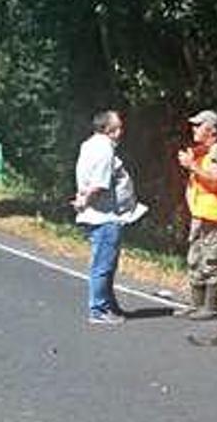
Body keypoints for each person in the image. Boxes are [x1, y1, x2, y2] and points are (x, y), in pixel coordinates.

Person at [72, 110, 141, 326]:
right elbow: (99, 184)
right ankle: (99, 308)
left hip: (102, 214)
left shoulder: (90, 145)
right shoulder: (103, 149)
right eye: (118, 127)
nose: (121, 131)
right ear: (109, 129)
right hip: (104, 216)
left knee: (106, 264)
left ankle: (108, 304)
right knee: (103, 264)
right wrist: (85, 201)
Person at [176, 109, 217, 320]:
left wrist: (192, 166)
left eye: (199, 125)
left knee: (211, 260)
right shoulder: (204, 151)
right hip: (200, 213)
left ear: (211, 129)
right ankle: (196, 305)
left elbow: (214, 179)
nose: (194, 129)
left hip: (215, 216)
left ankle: (210, 308)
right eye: (194, 125)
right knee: (195, 259)